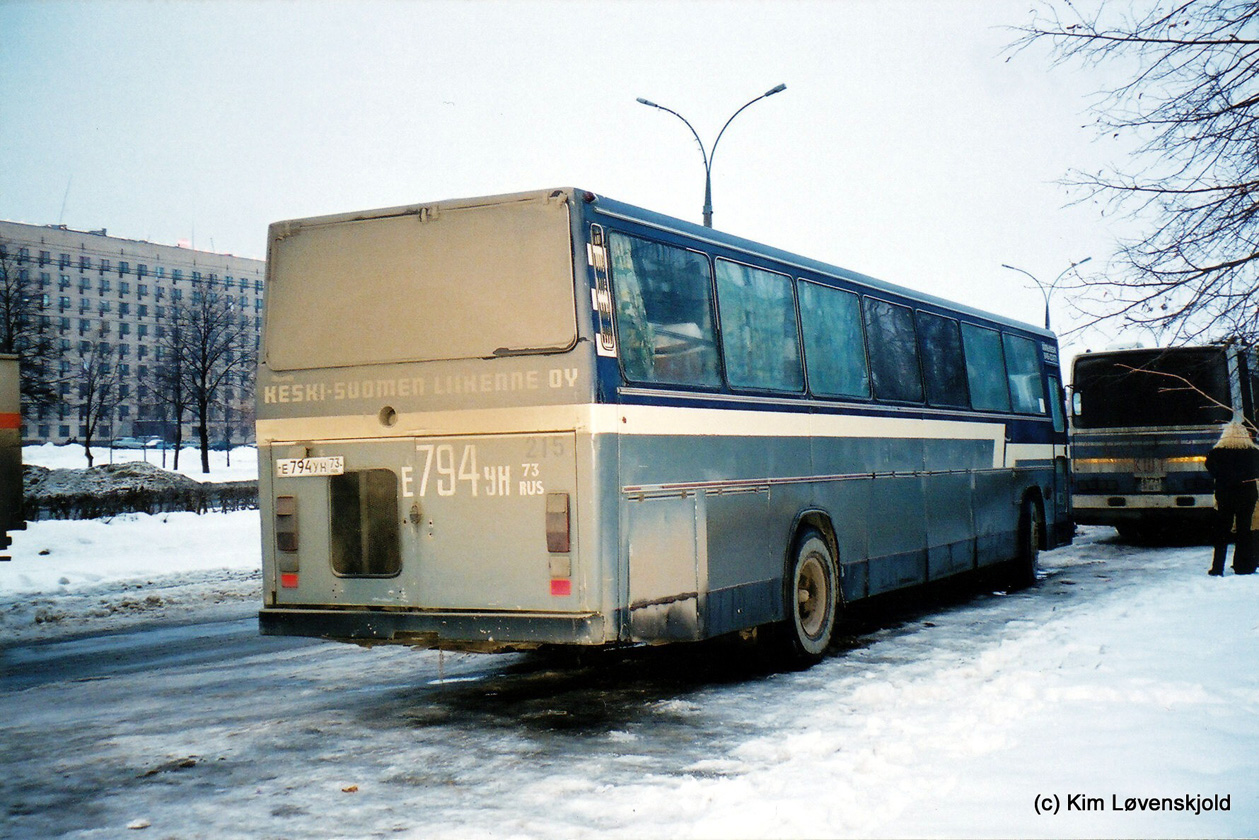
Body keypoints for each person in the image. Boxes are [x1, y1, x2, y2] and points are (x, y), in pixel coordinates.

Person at [1205, 421, 1259, 575]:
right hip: (1247, 495)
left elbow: (1210, 469)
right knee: (1244, 530)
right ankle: (1242, 566)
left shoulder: (1216, 453)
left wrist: (1225, 477)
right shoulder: (1253, 452)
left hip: (1225, 495)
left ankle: (1217, 567)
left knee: (1222, 530)